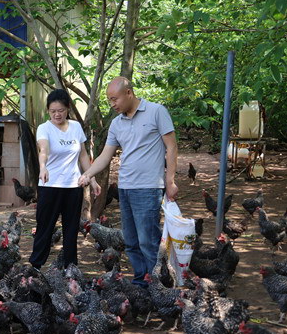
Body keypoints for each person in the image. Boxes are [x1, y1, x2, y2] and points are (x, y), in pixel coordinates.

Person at [79, 77, 178, 287]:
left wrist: (170, 180)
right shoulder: (117, 123)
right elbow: (106, 156)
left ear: (129, 93)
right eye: (109, 101)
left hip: (149, 187)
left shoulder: (156, 111)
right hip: (125, 187)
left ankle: (159, 284)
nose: (112, 104)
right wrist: (88, 174)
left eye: (115, 99)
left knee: (148, 241)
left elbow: (171, 147)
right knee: (131, 242)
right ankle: (142, 281)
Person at [29, 89, 99, 269]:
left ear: (67, 108)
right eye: (52, 111)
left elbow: (83, 155)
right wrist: (43, 167)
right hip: (50, 185)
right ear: (48, 111)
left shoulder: (75, 127)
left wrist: (91, 178)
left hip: (73, 186)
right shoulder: (44, 128)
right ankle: (35, 267)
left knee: (71, 229)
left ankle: (71, 268)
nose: (56, 114)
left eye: (60, 110)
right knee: (45, 228)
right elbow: (43, 150)